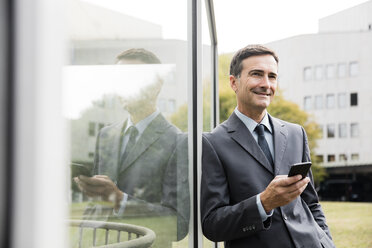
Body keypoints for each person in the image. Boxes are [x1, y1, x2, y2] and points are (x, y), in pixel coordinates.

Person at [200, 45, 335, 248]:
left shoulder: (296, 133)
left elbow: (311, 202)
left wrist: (326, 241)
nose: (266, 84)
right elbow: (212, 225)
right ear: (233, 82)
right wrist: (263, 203)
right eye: (256, 74)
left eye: (272, 76)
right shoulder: (212, 143)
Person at [74, 48, 189, 246]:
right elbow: (97, 206)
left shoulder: (178, 141)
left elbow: (177, 225)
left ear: (157, 85)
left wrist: (120, 200)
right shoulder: (106, 135)